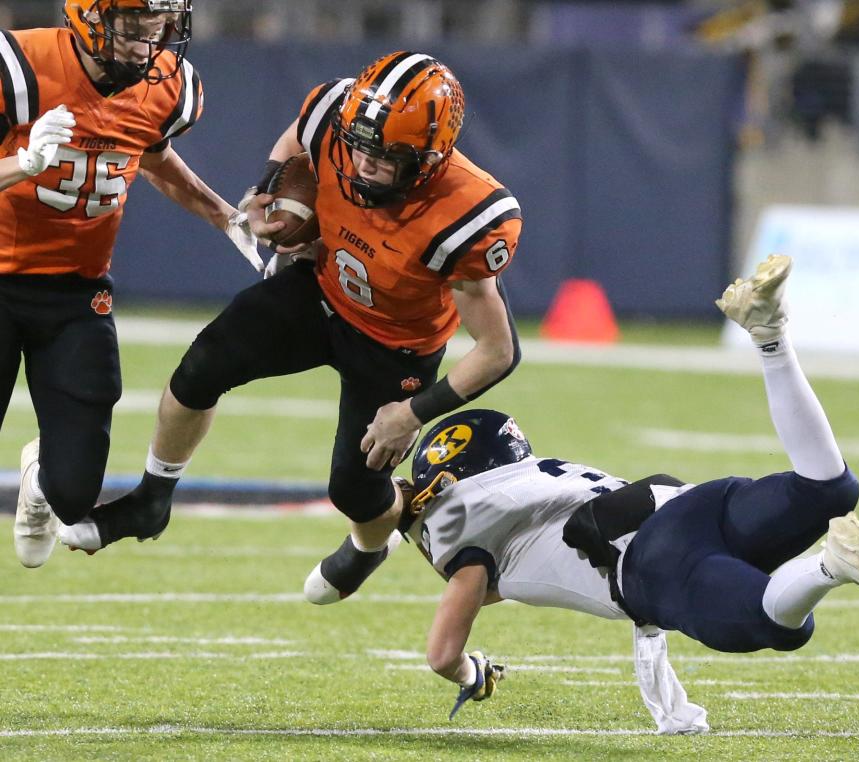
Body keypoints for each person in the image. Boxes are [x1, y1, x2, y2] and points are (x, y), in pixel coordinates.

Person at [397, 255, 859, 732]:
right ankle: (770, 337)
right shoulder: (538, 479)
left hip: (653, 565)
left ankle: (834, 566)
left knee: (777, 624)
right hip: (689, 504)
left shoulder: (476, 537)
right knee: (830, 488)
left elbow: (443, 652)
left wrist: (473, 670)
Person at [59, 51, 523, 602]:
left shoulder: (468, 216)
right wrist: (268, 189)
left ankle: (371, 545)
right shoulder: (332, 113)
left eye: (386, 157)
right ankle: (152, 499)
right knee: (201, 367)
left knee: (356, 491)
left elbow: (497, 349)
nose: (362, 164)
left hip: (396, 346)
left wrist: (412, 413)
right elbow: (296, 138)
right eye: (358, 145)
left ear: (429, 159)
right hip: (320, 291)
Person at [1, 0, 263, 569]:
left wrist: (223, 215)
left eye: (159, 28)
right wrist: (23, 162)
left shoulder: (168, 85)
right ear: (90, 19)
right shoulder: (19, 67)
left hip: (76, 294)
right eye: (133, 28)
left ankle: (40, 477)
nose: (148, 44)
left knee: (75, 496)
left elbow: (153, 154)